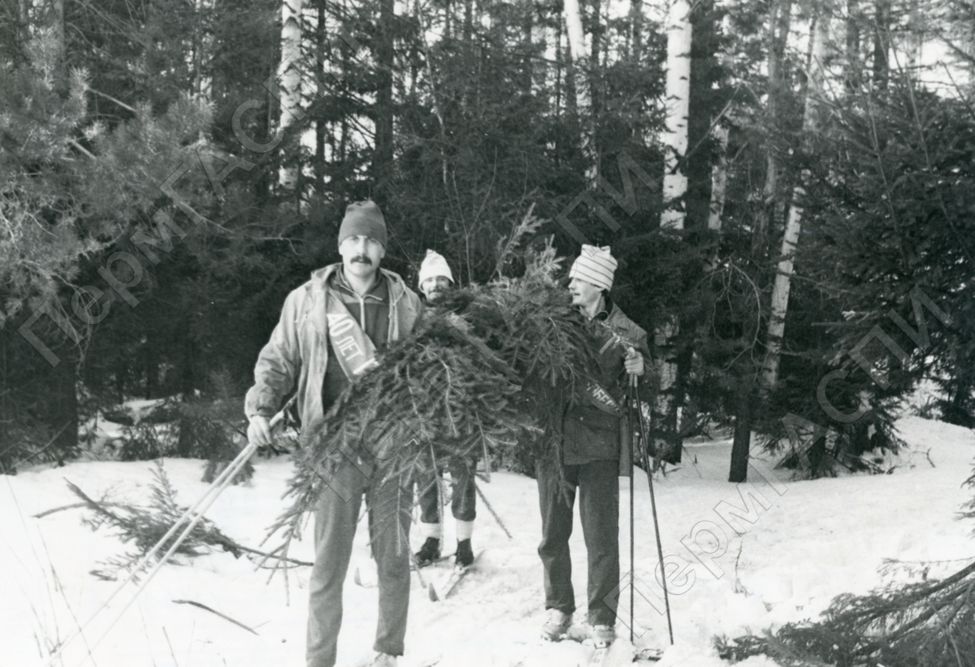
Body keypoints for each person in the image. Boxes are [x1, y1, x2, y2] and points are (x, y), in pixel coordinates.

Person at [245, 201, 422, 667]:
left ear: (382, 249)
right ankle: (319, 659)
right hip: (334, 446)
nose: (362, 249)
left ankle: (388, 651)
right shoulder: (307, 300)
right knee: (328, 562)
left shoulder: (406, 302)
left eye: (371, 241)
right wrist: (262, 408)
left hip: (392, 442)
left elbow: (426, 369)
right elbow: (279, 359)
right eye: (354, 239)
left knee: (393, 556)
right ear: (341, 245)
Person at [536, 244, 649, 649]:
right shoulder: (551, 322)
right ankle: (559, 607)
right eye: (572, 278)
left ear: (600, 286)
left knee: (601, 537)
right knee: (553, 533)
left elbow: (647, 390)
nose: (571, 284)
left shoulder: (629, 333)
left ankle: (601, 618)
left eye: (580, 279)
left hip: (600, 445)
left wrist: (641, 369)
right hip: (554, 443)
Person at [411, 250, 477, 568]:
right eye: (430, 280)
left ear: (450, 283)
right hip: (425, 410)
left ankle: (464, 543)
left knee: (463, 475)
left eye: (441, 279)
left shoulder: (466, 315)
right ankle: (431, 540)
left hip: (460, 410)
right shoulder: (413, 317)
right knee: (426, 475)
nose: (436, 284)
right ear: (422, 286)